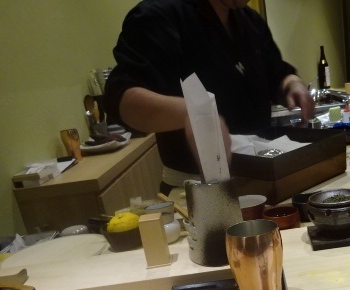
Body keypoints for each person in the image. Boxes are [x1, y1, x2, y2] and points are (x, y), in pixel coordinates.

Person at [104, 0, 314, 193]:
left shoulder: (249, 20)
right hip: (196, 191)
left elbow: (276, 72)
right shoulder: (159, 14)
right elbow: (123, 99)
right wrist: (195, 113)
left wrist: (292, 84)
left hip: (265, 179)